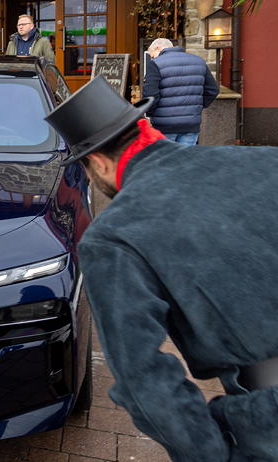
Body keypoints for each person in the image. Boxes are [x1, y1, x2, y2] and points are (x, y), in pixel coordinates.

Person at [44, 76, 278, 462]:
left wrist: (211, 453)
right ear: (145, 127)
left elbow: (144, 380)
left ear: (98, 163)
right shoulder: (266, 159)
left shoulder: (112, 237)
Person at [143, 38, 219, 145]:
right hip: (191, 124)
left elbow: (150, 95)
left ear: (158, 48)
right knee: (185, 160)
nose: (152, 58)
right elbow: (213, 90)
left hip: (164, 125)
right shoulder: (199, 61)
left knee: (165, 160)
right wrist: (197, 107)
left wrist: (150, 114)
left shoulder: (155, 64)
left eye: (152, 55)